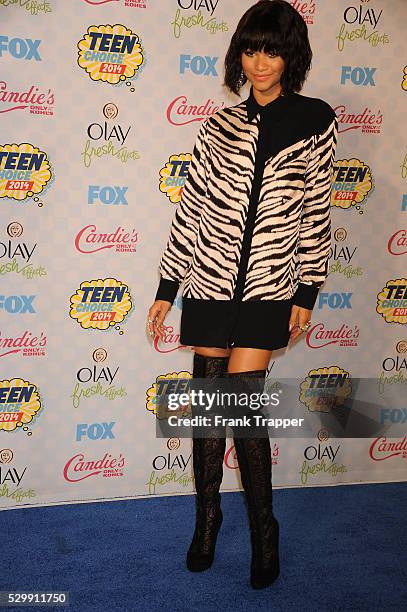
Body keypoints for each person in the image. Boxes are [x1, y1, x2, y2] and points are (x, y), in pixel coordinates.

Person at [147, 0, 338, 590]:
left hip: (267, 287)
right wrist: (166, 287)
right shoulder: (219, 127)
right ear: (239, 55)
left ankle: (264, 530)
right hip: (207, 280)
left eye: (272, 49)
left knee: (243, 406)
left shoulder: (315, 119)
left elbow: (315, 213)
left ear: (291, 55)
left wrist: (305, 290)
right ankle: (207, 520)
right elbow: (194, 209)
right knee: (206, 407)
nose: (260, 62)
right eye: (251, 50)